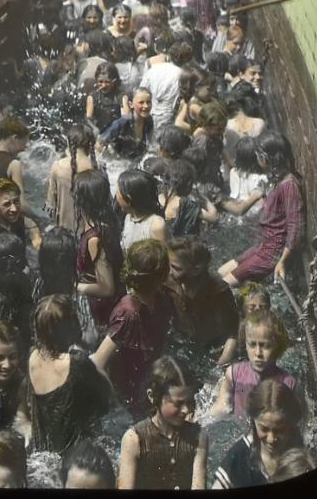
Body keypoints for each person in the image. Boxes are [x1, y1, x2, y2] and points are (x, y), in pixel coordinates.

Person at [90, 239, 174, 411]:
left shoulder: (162, 299)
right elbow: (97, 363)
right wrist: (116, 404)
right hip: (129, 391)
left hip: (148, 377)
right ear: (162, 276)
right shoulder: (128, 313)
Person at [24, 294, 111, 454]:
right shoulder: (76, 362)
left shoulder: (32, 357)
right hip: (76, 452)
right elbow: (106, 402)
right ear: (71, 326)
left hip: (43, 450)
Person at [218, 132, 305, 285]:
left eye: (258, 155)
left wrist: (282, 261)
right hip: (263, 245)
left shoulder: (289, 185)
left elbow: (295, 228)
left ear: (265, 158)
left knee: (224, 284)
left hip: (273, 254)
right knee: (219, 274)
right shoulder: (276, 179)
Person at [117, 355, 207, 490]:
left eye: (189, 402)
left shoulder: (198, 437)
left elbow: (198, 486)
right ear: (152, 396)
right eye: (178, 403)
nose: (186, 410)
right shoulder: (134, 440)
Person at [212, 378, 305, 488]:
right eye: (264, 429)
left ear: (291, 424)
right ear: (254, 422)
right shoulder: (241, 455)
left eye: (279, 430)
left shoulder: (301, 456)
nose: (271, 439)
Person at [163, 238, 239, 366]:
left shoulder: (218, 290)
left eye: (176, 268)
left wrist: (224, 360)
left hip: (212, 344)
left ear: (196, 268)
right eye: (169, 265)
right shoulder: (169, 283)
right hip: (182, 339)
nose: (170, 272)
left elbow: (233, 330)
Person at [211, 310, 299, 418]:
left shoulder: (289, 384)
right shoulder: (234, 374)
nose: (258, 353)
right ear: (245, 344)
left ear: (277, 346)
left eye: (265, 346)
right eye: (252, 345)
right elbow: (219, 408)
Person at [73, 171, 124, 340]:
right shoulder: (107, 221)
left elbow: (107, 288)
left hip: (100, 311)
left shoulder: (95, 238)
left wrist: (74, 287)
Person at [45, 123, 96, 233]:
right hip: (92, 234)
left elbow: (51, 207)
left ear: (68, 142)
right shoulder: (99, 167)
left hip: (66, 233)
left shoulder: (57, 167)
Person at [140, 40, 193, 133]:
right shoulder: (183, 75)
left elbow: (142, 90)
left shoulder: (154, 68)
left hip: (149, 112)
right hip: (169, 116)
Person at [0, 178, 42, 250]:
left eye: (16, 201)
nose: (14, 209)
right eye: (7, 204)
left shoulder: (27, 223)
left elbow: (38, 247)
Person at [115, 168, 168, 251]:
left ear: (129, 199)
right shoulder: (128, 216)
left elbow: (162, 258)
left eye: (118, 191)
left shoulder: (156, 225)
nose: (116, 194)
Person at [98, 88, 154, 160]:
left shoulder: (148, 120)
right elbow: (99, 143)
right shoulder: (123, 122)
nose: (146, 106)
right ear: (131, 104)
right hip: (120, 164)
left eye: (148, 102)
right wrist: (111, 161)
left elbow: (151, 143)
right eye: (141, 102)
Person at [85, 63, 129, 136]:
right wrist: (95, 130)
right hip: (99, 134)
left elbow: (125, 118)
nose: (103, 85)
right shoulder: (92, 97)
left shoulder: (121, 96)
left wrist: (109, 133)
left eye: (107, 82)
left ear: (114, 81)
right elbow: (88, 118)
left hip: (117, 134)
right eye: (100, 82)